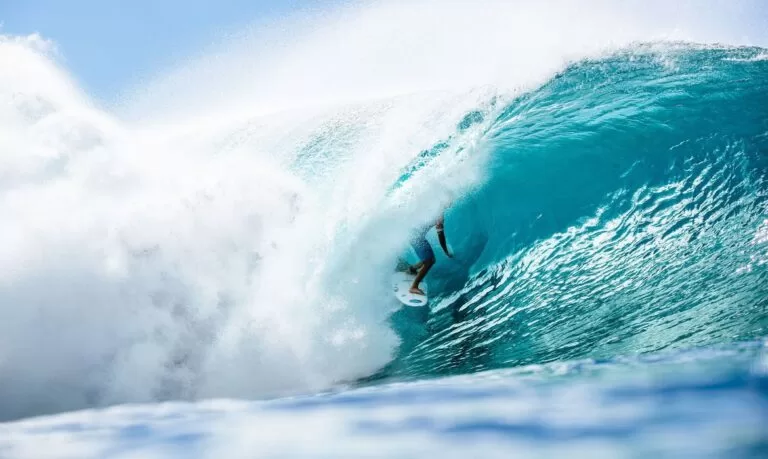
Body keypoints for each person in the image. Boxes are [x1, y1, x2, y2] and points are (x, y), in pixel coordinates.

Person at [407, 211, 452, 296]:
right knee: (429, 261)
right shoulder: (439, 216)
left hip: (412, 234)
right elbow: (441, 236)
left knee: (431, 259)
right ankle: (414, 287)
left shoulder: (432, 206)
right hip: (416, 237)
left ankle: (412, 269)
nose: (450, 203)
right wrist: (445, 251)